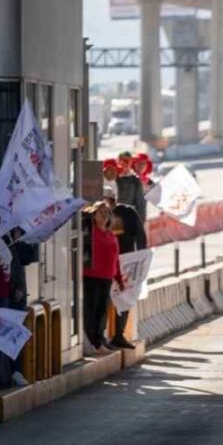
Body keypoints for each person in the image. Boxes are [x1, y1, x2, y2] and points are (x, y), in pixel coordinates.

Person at [106, 185, 147, 350]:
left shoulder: (128, 213)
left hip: (126, 262)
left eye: (106, 201)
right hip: (105, 263)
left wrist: (141, 261)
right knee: (106, 299)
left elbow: (141, 237)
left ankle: (118, 334)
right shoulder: (95, 215)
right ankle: (103, 335)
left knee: (125, 298)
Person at [82, 202, 125, 355]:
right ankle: (92, 341)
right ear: (94, 215)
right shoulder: (89, 232)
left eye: (107, 212)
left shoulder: (111, 234)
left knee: (102, 311)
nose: (104, 214)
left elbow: (116, 258)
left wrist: (119, 279)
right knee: (91, 310)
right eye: (101, 212)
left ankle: (99, 340)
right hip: (91, 276)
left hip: (106, 277)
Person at [115, 151, 147, 221]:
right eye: (122, 160)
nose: (124, 163)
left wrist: (141, 221)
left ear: (131, 162)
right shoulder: (113, 177)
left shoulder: (135, 180)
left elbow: (140, 202)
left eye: (127, 161)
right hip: (114, 217)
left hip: (129, 217)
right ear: (118, 161)